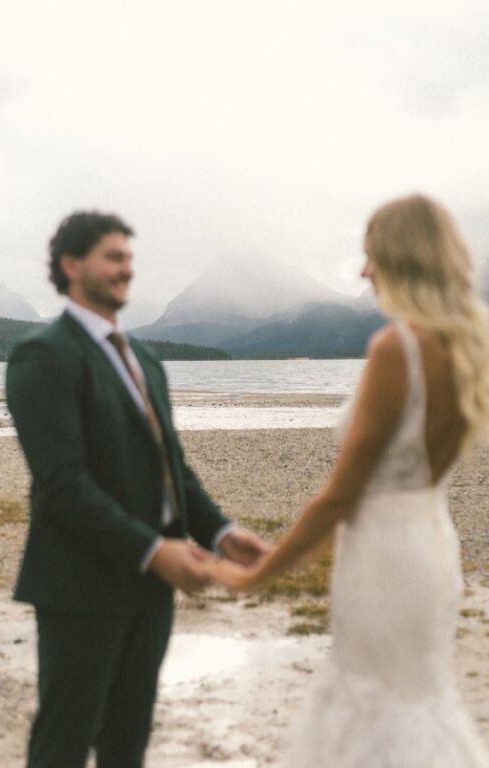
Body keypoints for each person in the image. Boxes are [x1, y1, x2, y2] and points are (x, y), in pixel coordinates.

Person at [211, 194, 489, 768]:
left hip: (385, 561)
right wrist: (321, 552)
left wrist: (259, 575)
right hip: (429, 548)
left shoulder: (397, 348)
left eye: (369, 256)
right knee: (417, 701)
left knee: (373, 709)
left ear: (400, 256)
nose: (363, 272)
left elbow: (343, 493)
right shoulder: (468, 347)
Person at [5, 211, 269, 768]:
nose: (126, 269)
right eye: (112, 257)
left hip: (152, 591)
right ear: (71, 265)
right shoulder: (42, 354)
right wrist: (154, 550)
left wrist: (220, 533)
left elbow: (173, 470)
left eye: (129, 257)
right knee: (64, 744)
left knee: (128, 744)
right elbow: (61, 485)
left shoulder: (145, 359)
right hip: (80, 586)